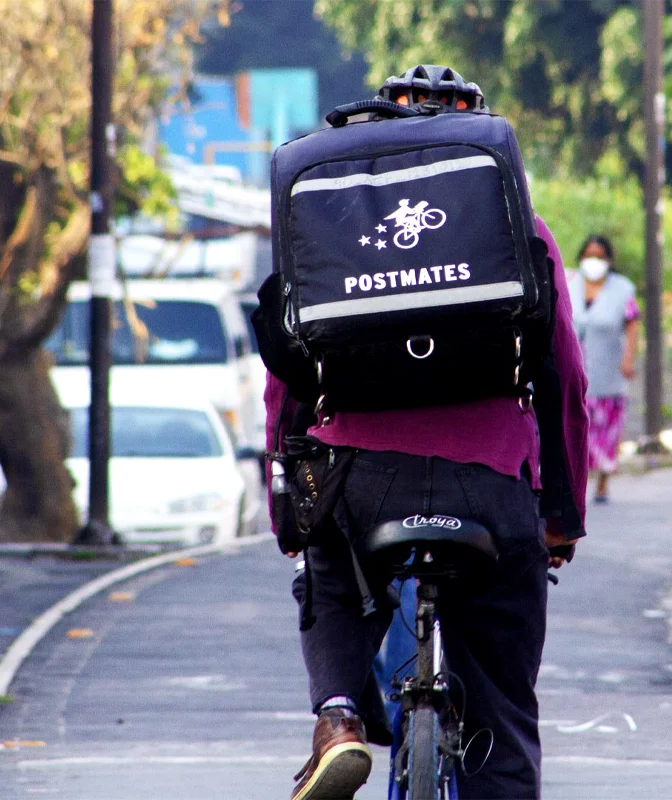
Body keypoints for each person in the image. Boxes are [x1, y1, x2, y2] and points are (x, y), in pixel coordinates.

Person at [265, 65, 589, 800]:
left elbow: (284, 375)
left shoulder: (329, 223)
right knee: (502, 714)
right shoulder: (520, 229)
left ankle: (340, 718)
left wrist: (290, 503)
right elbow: (563, 380)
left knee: (329, 576)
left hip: (357, 479)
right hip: (491, 487)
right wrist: (559, 518)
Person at [567, 235, 639, 504]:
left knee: (607, 428)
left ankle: (604, 481)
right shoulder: (570, 282)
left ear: (608, 260)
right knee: (576, 429)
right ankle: (577, 482)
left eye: (599, 256)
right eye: (588, 255)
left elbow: (632, 324)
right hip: (575, 371)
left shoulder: (622, 289)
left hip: (608, 369)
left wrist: (628, 358)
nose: (593, 261)